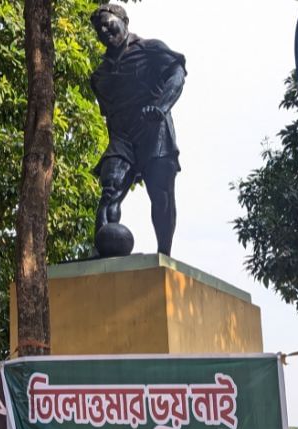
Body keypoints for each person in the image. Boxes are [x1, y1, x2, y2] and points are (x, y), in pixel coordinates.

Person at [89, 3, 187, 256]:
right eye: (99, 30)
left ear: (124, 20)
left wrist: (161, 107)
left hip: (154, 131)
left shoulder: (150, 49)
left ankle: (164, 254)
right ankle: (104, 260)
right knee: (109, 190)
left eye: (108, 24)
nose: (104, 32)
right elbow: (108, 114)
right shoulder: (99, 76)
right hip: (122, 137)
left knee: (161, 194)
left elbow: (177, 73)